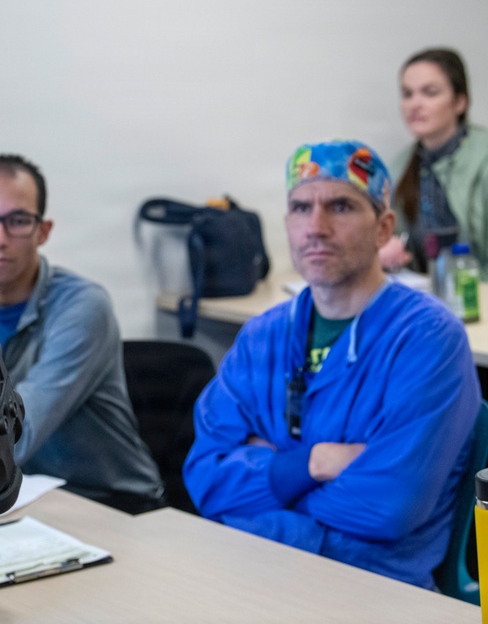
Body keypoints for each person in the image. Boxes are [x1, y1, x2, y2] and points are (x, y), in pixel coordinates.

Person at [183, 140, 480, 589]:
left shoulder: (427, 339)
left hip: (372, 589)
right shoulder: (261, 338)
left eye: (340, 206)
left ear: (384, 228)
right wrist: (315, 463)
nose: (316, 227)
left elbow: (389, 505)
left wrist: (269, 485)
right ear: (286, 224)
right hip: (253, 573)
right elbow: (205, 479)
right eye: (301, 208)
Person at [0, 154, 165, 514]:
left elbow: (17, 437)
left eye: (17, 220)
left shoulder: (83, 306)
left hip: (114, 504)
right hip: (28, 501)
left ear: (43, 230)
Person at [380, 48, 488, 277]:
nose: (415, 104)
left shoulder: (483, 158)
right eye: (407, 94)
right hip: (429, 299)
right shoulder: (399, 166)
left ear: (460, 102)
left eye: (430, 92)